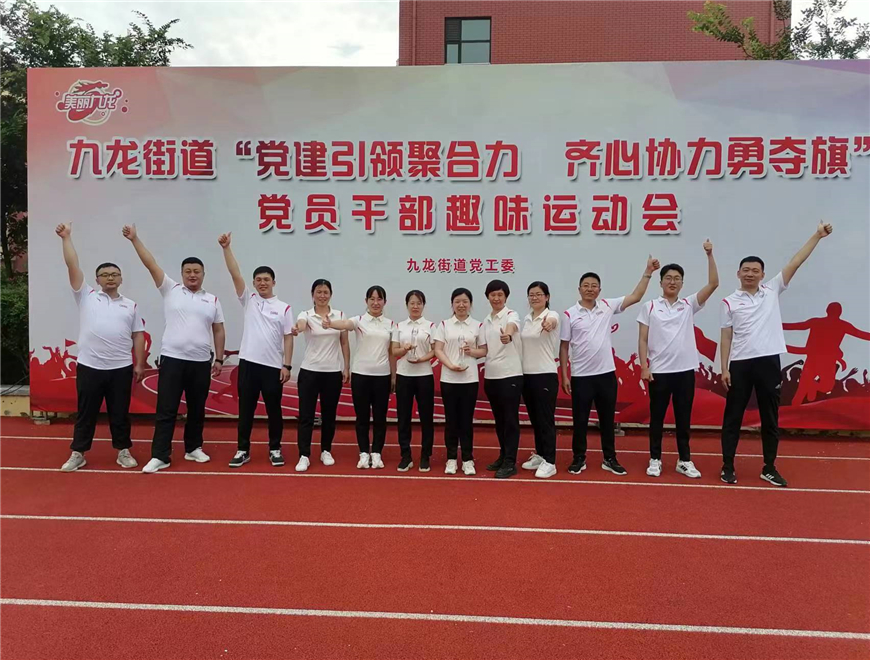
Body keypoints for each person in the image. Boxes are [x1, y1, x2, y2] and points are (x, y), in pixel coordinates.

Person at [720, 222, 834, 487]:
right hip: (740, 364)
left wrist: (817, 235)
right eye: (746, 270)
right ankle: (727, 466)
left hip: (769, 362)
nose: (750, 274)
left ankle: (769, 467)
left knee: (770, 418)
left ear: (763, 274)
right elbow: (726, 337)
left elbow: (796, 261)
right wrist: (724, 368)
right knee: (733, 417)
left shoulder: (772, 290)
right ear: (738, 273)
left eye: (755, 270)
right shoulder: (729, 302)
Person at [123, 224, 225, 474]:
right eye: (188, 271)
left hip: (200, 362)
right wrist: (135, 239)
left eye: (197, 271)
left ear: (203, 274)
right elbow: (150, 264)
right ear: (181, 274)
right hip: (172, 360)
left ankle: (193, 448)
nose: (192, 275)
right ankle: (161, 455)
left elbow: (218, 330)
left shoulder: (212, 299)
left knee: (197, 409)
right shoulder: (170, 289)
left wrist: (219, 359)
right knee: (166, 409)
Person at [560, 255, 660, 476]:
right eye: (586, 285)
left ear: (599, 290)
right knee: (580, 421)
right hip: (581, 377)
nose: (590, 289)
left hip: (606, 376)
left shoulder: (607, 306)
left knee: (607, 420)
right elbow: (564, 346)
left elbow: (636, 296)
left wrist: (648, 272)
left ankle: (610, 458)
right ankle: (579, 458)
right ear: (579, 289)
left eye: (594, 286)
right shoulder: (569, 314)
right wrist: (565, 376)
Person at [56, 223, 145, 472]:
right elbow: (72, 265)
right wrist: (66, 238)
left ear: (121, 278)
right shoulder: (86, 296)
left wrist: (139, 363)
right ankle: (78, 452)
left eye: (114, 274)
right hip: (90, 367)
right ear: (97, 280)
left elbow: (138, 335)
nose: (110, 278)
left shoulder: (130, 305)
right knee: (86, 412)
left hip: (121, 368)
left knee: (120, 413)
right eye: (105, 275)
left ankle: (123, 451)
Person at [638, 240, 719, 479]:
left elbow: (713, 284)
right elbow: (642, 339)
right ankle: (655, 459)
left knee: (683, 418)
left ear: (682, 283)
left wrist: (709, 255)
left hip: (684, 372)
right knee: (657, 418)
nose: (672, 282)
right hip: (659, 372)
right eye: (668, 278)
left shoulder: (688, 304)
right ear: (661, 282)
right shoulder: (650, 307)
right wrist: (644, 367)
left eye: (677, 278)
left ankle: (684, 460)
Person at [218, 232, 294, 468]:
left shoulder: (284, 308)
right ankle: (243, 450)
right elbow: (235, 273)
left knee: (274, 411)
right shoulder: (249, 300)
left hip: (272, 367)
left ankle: (275, 449)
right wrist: (226, 248)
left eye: (266, 279)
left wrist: (287, 365)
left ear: (274, 282)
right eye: (258, 280)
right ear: (253, 283)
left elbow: (288, 338)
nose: (262, 283)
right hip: (249, 364)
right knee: (246, 410)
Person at [326, 286, 396, 470]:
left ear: (384, 302)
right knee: (362, 417)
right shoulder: (359, 321)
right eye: (372, 299)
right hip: (361, 376)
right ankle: (364, 453)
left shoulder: (390, 324)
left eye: (379, 299)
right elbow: (345, 324)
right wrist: (330, 323)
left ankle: (377, 453)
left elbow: (391, 353)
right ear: (366, 301)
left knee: (380, 418)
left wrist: (393, 376)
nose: (375, 303)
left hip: (382, 376)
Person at [293, 279, 350, 472]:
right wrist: (298, 327)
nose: (322, 295)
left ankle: (326, 450)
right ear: (313, 295)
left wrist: (346, 367)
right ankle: (304, 455)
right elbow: (301, 325)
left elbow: (344, 343)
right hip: (309, 372)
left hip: (332, 373)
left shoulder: (339, 316)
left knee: (329, 415)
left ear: (330, 295)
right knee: (306, 416)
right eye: (319, 292)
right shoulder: (306, 315)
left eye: (326, 292)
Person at [433, 288, 486, 475]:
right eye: (457, 302)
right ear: (452, 304)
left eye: (465, 301)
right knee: (451, 420)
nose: (461, 305)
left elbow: (484, 350)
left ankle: (468, 459)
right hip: (449, 379)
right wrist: (450, 365)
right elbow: (438, 349)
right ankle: (451, 458)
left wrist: (472, 351)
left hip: (469, 379)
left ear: (470, 304)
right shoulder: (444, 325)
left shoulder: (478, 325)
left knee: (466, 420)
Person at [479, 280, 523, 479]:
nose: (496, 298)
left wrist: (508, 335)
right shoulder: (486, 321)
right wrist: (470, 352)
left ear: (506, 297)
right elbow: (484, 349)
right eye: (493, 295)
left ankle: (510, 462)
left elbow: (511, 328)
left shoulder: (511, 315)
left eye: (500, 295)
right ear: (487, 297)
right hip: (492, 376)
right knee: (499, 420)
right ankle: (503, 455)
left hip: (510, 375)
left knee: (510, 419)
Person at [391, 290, 436, 472]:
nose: (415, 306)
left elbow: (435, 350)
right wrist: (404, 349)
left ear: (423, 305)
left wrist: (422, 359)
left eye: (419, 303)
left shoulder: (430, 326)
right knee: (403, 417)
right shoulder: (399, 326)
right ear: (407, 305)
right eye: (412, 303)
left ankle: (425, 456)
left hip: (424, 375)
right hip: (404, 375)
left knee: (426, 417)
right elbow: (394, 351)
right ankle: (406, 455)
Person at [519, 281, 561, 479]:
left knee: (545, 419)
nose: (534, 298)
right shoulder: (527, 319)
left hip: (545, 374)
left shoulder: (551, 315)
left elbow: (552, 321)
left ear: (547, 297)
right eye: (531, 295)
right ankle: (541, 454)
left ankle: (550, 461)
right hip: (527, 375)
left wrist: (548, 323)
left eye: (538, 294)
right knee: (535, 419)